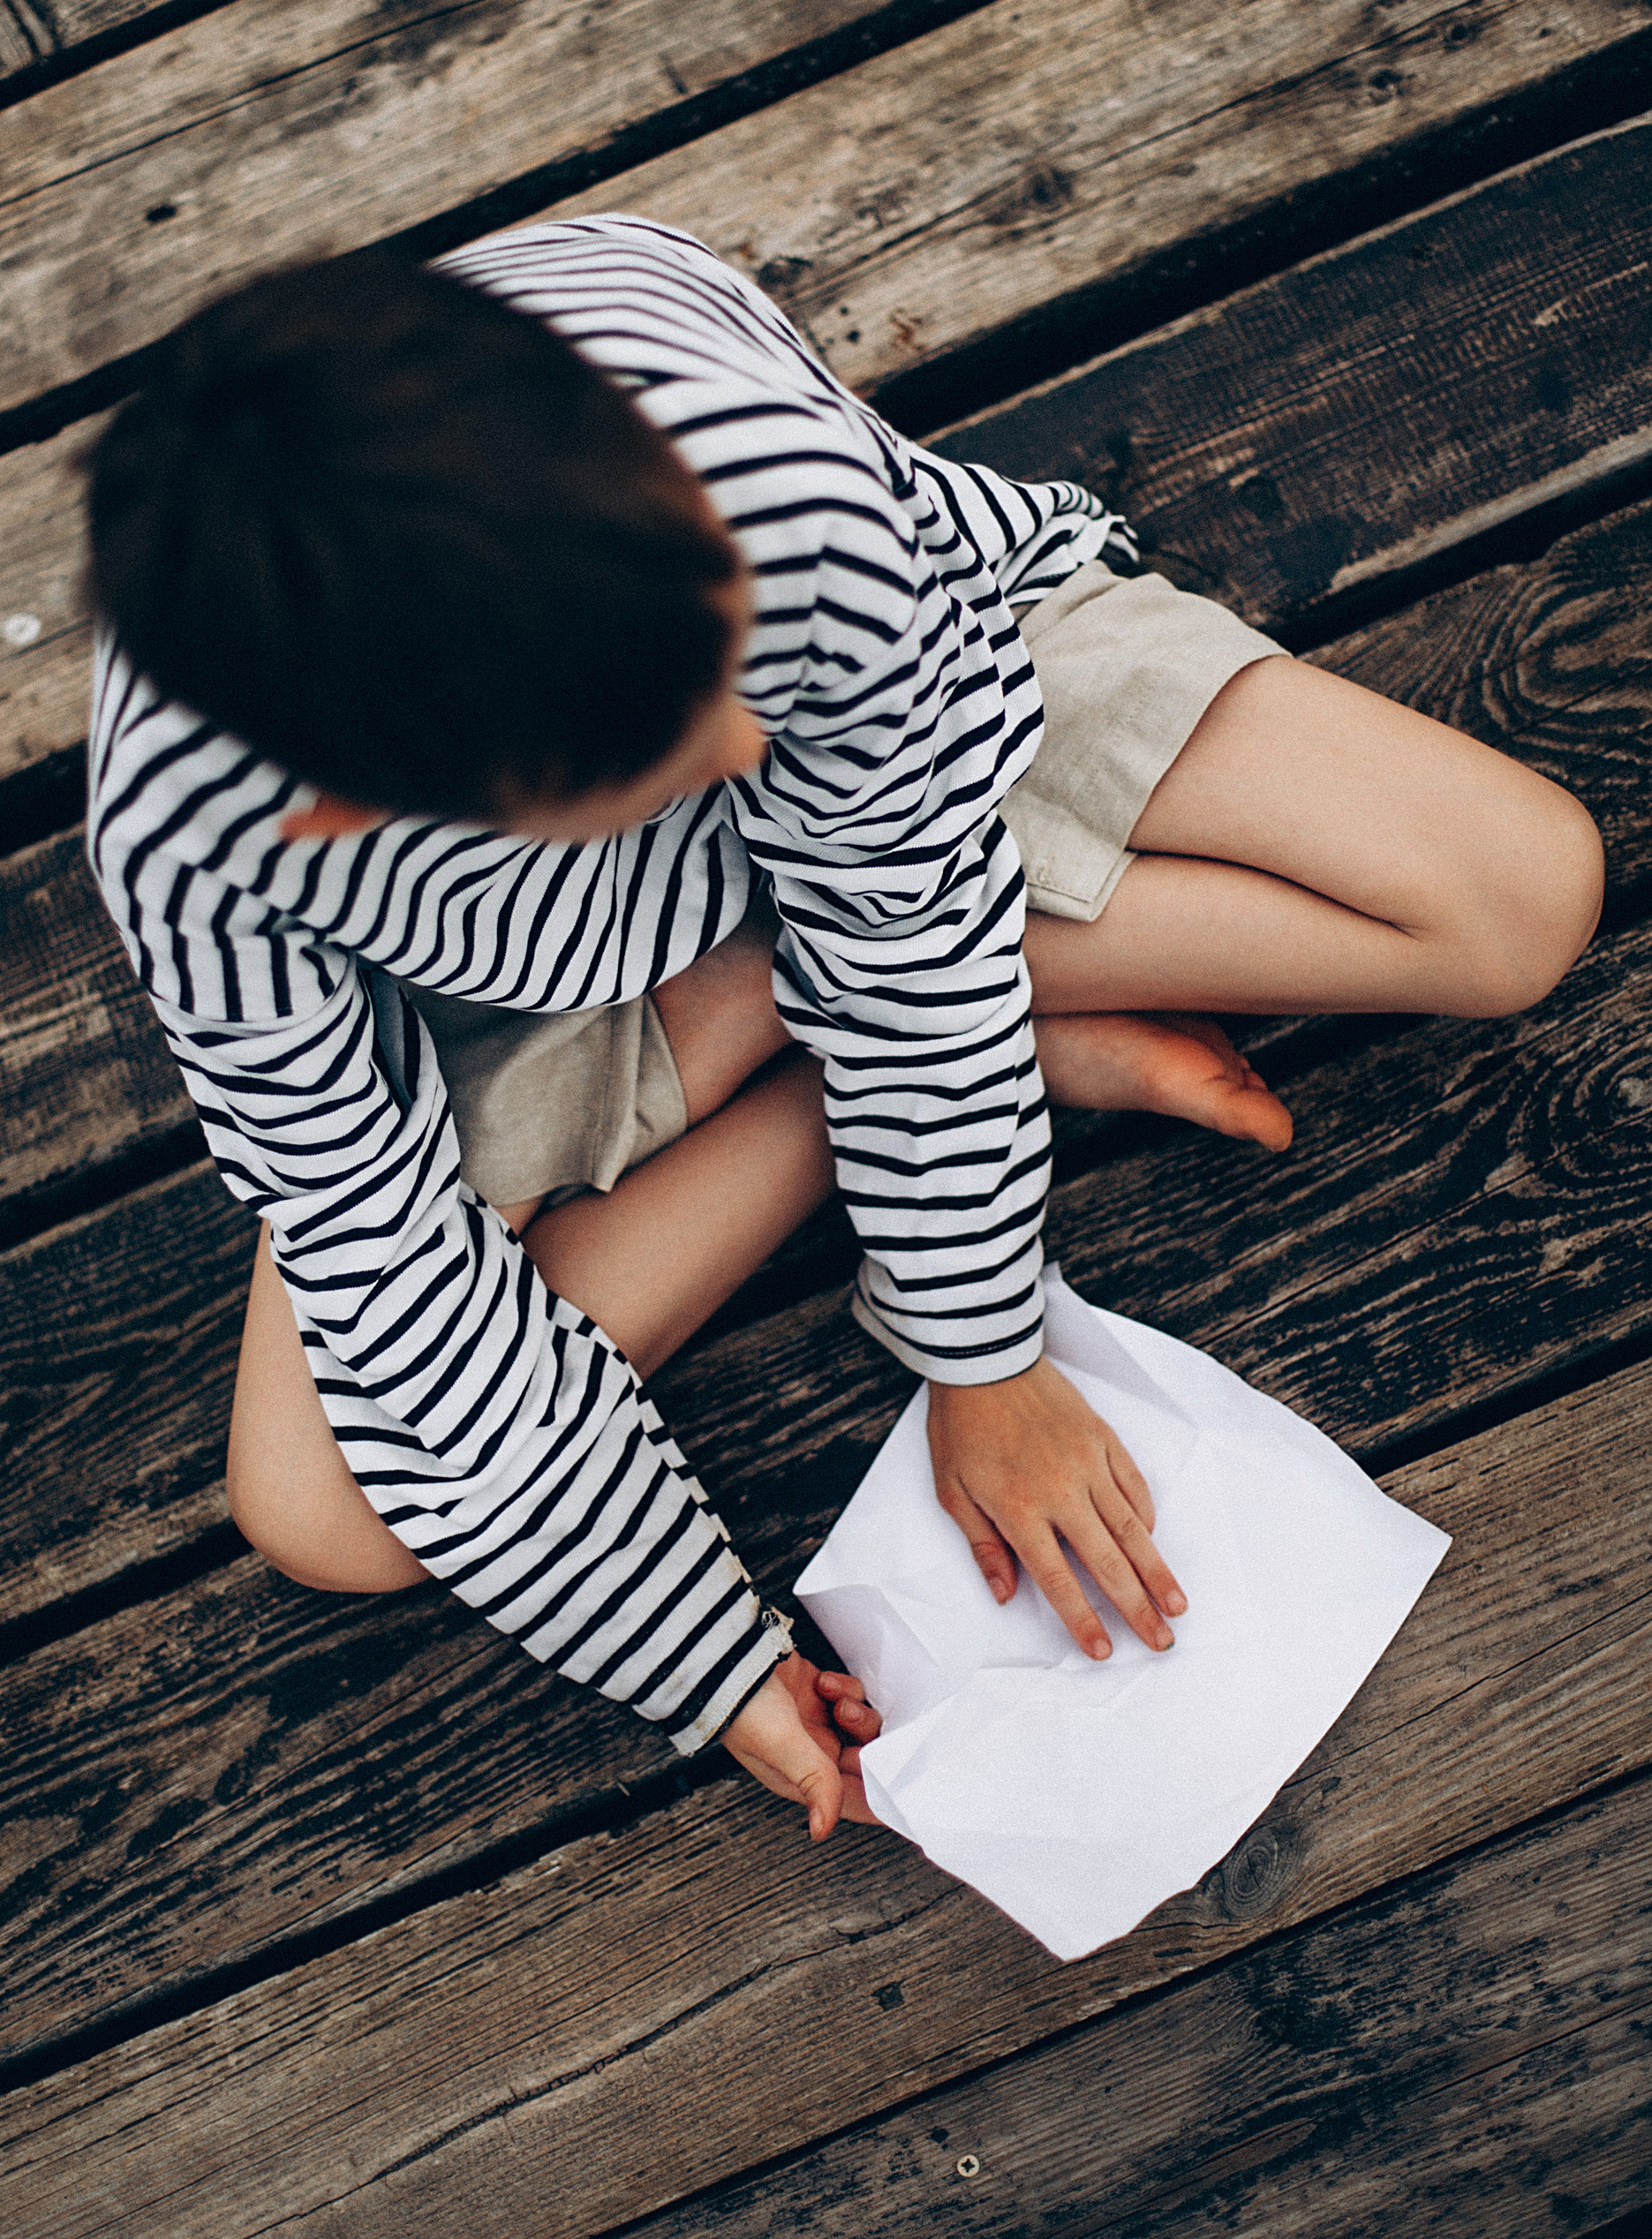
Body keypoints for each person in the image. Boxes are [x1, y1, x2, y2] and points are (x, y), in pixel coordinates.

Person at [85, 216, 1603, 1845]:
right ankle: (879, 1055)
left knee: (1514, 900)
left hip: (928, 770)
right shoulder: (197, 840)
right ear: (357, 806)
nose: (749, 736)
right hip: (544, 981)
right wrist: (717, 1665)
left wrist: (981, 1352)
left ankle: (860, 1031)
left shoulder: (757, 502)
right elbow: (362, 1231)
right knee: (324, 1512)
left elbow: (897, 883)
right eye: (662, 744)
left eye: (723, 654)